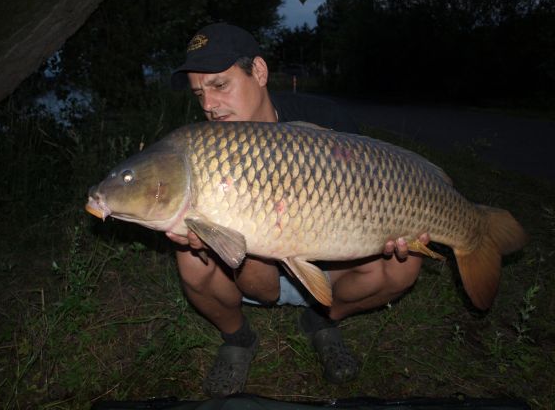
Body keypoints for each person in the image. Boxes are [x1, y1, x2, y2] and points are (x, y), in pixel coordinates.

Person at [168, 23, 429, 397]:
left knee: (403, 265)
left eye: (219, 85)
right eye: (199, 93)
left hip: (327, 262)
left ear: (258, 72)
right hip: (251, 270)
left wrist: (391, 229)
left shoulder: (326, 121)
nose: (208, 105)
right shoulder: (206, 152)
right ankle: (238, 338)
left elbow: (379, 187)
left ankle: (322, 319)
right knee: (189, 256)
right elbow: (266, 291)